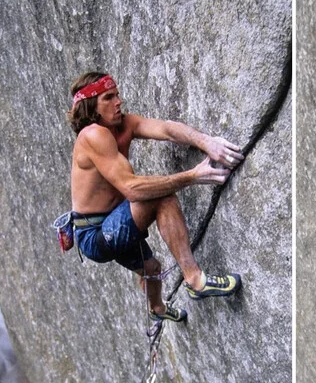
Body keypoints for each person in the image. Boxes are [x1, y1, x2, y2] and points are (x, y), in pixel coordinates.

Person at [67, 71, 245, 322]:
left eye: (117, 95)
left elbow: (166, 129)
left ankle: (157, 309)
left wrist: (205, 142)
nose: (118, 101)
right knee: (163, 198)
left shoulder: (124, 124)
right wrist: (193, 176)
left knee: (152, 269)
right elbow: (131, 188)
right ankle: (196, 280)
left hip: (113, 219)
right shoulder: (93, 135)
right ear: (91, 107)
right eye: (108, 97)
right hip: (95, 234)